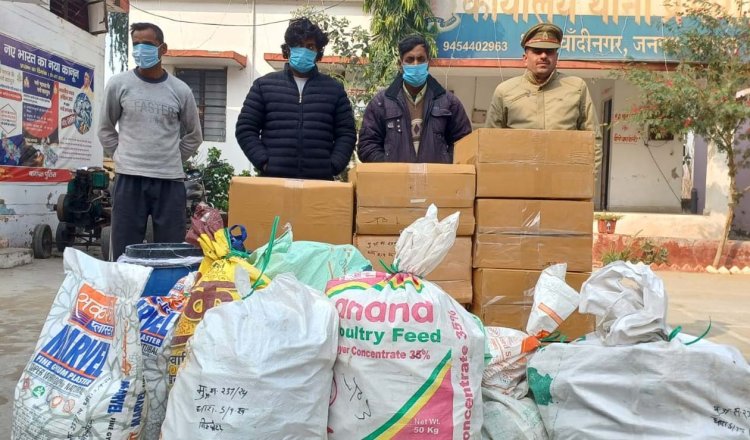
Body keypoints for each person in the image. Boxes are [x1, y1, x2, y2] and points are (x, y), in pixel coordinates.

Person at [98, 22, 202, 261]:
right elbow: (105, 129)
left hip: (170, 182)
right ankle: (125, 295)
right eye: (136, 44)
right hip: (128, 180)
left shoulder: (180, 90)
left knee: (171, 251)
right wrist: (122, 156)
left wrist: (173, 157)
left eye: (148, 44)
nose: (141, 50)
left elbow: (194, 135)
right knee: (125, 251)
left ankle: (165, 296)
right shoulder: (119, 84)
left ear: (162, 48)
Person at [235, 17, 356, 180]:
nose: (304, 51)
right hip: (274, 182)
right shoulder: (263, 86)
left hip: (319, 183)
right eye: (298, 45)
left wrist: (333, 166)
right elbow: (246, 129)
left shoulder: (334, 89)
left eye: (310, 46)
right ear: (288, 49)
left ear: (318, 52)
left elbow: (346, 133)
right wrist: (264, 162)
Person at [485, 23, 603, 175]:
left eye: (549, 51)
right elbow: (490, 142)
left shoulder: (577, 88)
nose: (543, 56)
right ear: (525, 58)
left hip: (564, 181)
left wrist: (586, 182)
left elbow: (593, 140)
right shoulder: (504, 91)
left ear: (556, 57)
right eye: (537, 51)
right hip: (518, 180)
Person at [358, 35, 472, 163]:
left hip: (436, 180)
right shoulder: (381, 103)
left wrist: (445, 163)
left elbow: (465, 142)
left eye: (421, 59)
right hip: (395, 180)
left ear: (429, 62)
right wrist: (388, 165)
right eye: (410, 59)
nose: (416, 64)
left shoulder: (449, 102)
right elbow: (366, 145)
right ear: (400, 63)